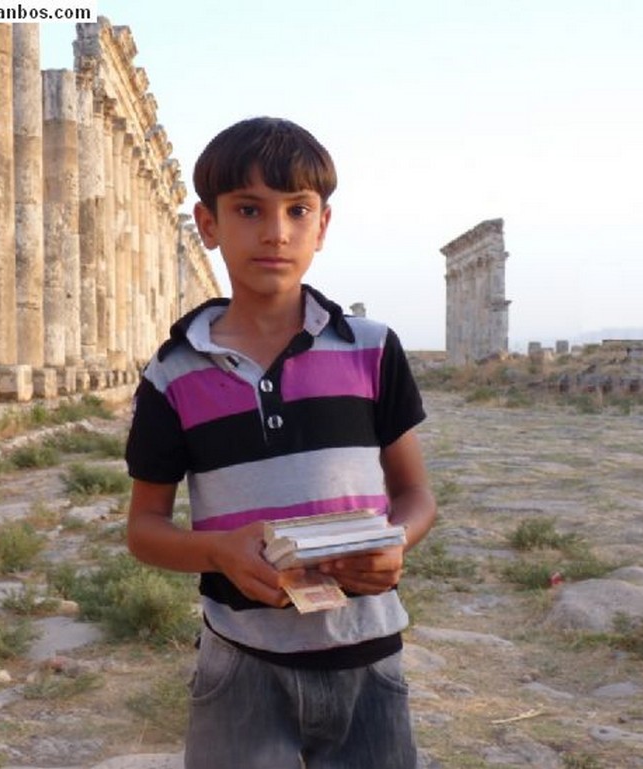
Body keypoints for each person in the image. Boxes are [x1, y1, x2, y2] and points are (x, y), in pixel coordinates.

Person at [124, 116, 437, 769]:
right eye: (248, 209)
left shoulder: (373, 349)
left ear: (323, 225)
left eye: (298, 209)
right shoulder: (171, 375)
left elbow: (415, 494)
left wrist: (394, 543)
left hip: (369, 656)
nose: (276, 231)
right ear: (207, 225)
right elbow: (144, 528)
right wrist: (217, 550)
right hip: (239, 662)